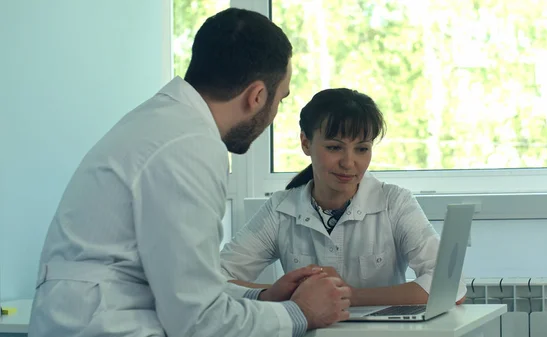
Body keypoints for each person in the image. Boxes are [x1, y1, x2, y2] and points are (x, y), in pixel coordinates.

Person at [29, 8, 351, 337]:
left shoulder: (164, 123)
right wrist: (301, 314)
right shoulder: (191, 145)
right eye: (279, 100)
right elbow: (200, 322)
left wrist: (263, 296)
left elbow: (182, 285)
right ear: (256, 96)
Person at [220, 88, 467, 307]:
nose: (349, 163)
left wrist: (351, 296)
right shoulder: (280, 209)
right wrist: (273, 294)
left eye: (362, 149)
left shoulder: (395, 202)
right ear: (306, 143)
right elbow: (212, 279)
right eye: (334, 147)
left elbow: (450, 286)